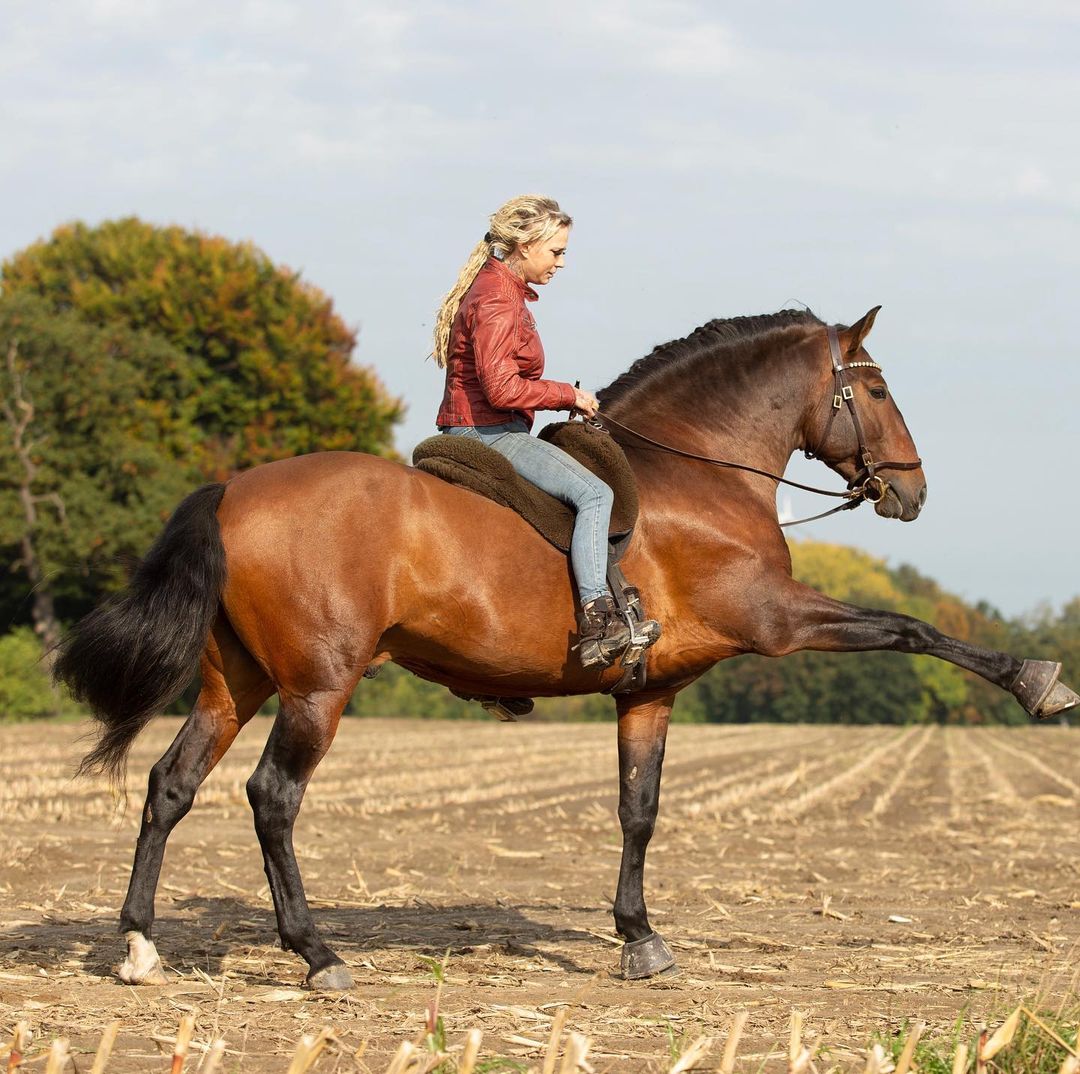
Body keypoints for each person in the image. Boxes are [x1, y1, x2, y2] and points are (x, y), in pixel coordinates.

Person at [432, 194, 659, 670]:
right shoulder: (498, 300)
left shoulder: (499, 290)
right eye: (555, 251)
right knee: (596, 496)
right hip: (488, 432)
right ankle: (598, 617)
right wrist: (568, 395)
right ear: (524, 244)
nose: (561, 262)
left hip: (479, 426)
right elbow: (500, 389)